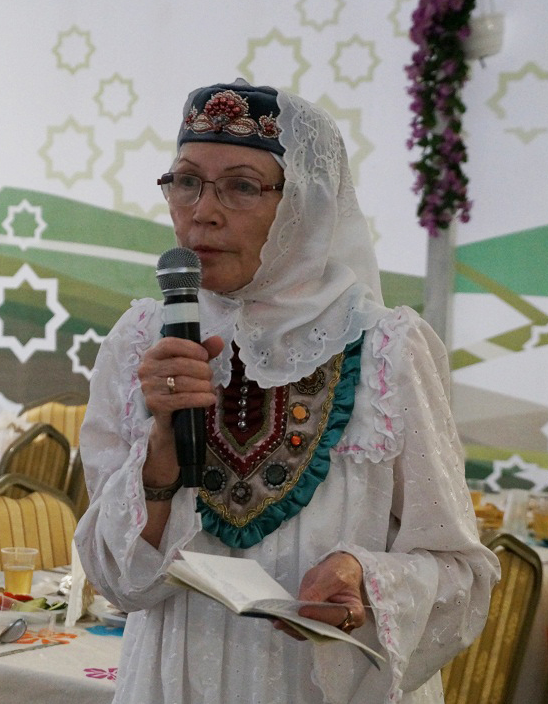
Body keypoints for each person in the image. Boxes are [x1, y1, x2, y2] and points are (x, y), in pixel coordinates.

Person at [74, 79, 499, 703]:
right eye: (186, 181)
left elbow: (462, 572)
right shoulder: (142, 339)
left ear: (306, 205)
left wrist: (365, 578)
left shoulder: (386, 348)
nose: (202, 211)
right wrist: (162, 445)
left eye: (242, 186)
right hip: (173, 682)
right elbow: (119, 582)